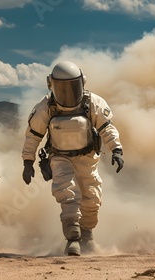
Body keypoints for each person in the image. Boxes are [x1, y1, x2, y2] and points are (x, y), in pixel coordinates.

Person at [21, 61, 124, 256]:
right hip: (59, 158)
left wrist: (116, 149)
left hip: (87, 158)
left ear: (82, 83)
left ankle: (87, 235)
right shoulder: (46, 107)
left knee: (92, 200)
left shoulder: (92, 102)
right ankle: (73, 239)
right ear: (51, 85)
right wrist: (28, 161)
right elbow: (33, 135)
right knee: (67, 194)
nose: (67, 93)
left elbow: (107, 127)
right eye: (62, 88)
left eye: (71, 87)